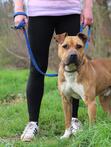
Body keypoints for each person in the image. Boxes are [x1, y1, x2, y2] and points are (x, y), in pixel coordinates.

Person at [13, 0, 93, 141]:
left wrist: (88, 7)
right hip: (39, 11)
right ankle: (33, 123)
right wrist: (19, 9)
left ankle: (74, 120)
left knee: (75, 67)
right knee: (37, 68)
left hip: (70, 10)